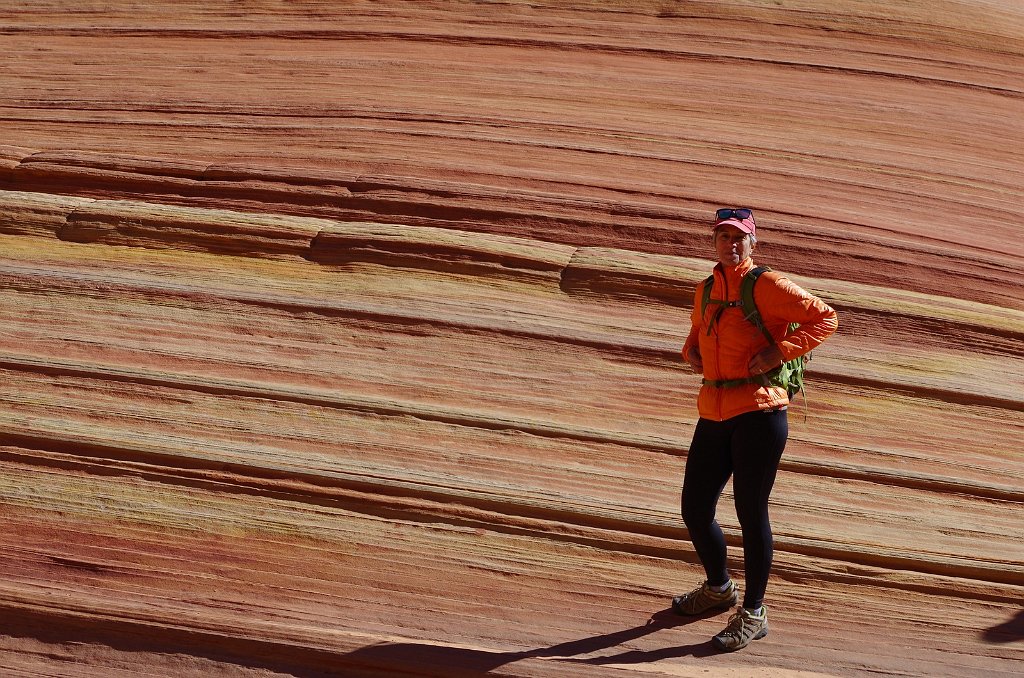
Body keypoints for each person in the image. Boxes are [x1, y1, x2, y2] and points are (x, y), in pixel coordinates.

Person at [673, 207, 838, 651]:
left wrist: (780, 351)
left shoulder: (766, 285)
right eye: (722, 237)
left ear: (752, 242)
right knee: (694, 507)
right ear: (713, 243)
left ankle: (754, 611)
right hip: (714, 409)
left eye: (738, 238)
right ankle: (718, 587)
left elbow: (825, 317)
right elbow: (694, 335)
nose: (730, 244)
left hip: (760, 413)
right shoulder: (705, 290)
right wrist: (690, 353)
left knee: (750, 512)